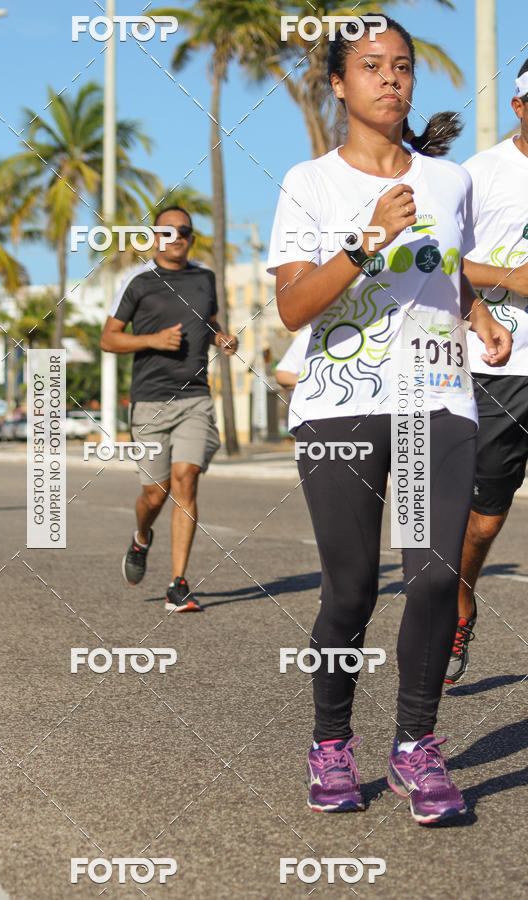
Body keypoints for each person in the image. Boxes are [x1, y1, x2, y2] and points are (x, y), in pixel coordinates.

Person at [268, 16, 511, 824]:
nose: (391, 79)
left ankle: (416, 745)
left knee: (438, 574)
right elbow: (292, 307)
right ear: (338, 84)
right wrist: (366, 244)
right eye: (371, 67)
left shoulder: (449, 182)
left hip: (437, 396)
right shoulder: (309, 183)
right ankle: (331, 741)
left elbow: (443, 265)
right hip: (340, 403)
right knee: (351, 589)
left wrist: (476, 312)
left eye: (401, 67)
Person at [101, 206, 237, 611]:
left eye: (184, 231)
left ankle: (178, 583)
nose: (176, 236)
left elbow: (207, 322)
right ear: (153, 237)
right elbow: (109, 339)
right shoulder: (138, 282)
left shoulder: (205, 279)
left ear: (191, 238)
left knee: (186, 478)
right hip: (149, 402)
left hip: (194, 396)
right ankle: (142, 536)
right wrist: (153, 341)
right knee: (154, 495)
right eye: (167, 231)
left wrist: (221, 338)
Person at [445, 60, 528, 683]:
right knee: (484, 521)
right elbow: (437, 259)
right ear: (521, 108)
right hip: (502, 365)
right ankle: (460, 599)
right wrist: (512, 280)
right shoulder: (482, 173)